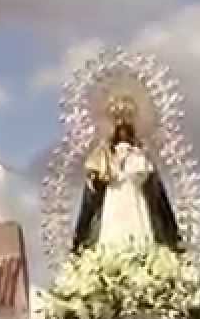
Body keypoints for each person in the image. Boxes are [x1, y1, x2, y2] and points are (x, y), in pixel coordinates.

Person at [72, 108, 182, 253]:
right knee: (113, 233)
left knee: (137, 229)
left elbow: (147, 179)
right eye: (120, 130)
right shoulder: (104, 156)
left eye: (126, 131)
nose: (123, 135)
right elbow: (96, 183)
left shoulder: (139, 155)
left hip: (133, 195)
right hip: (114, 197)